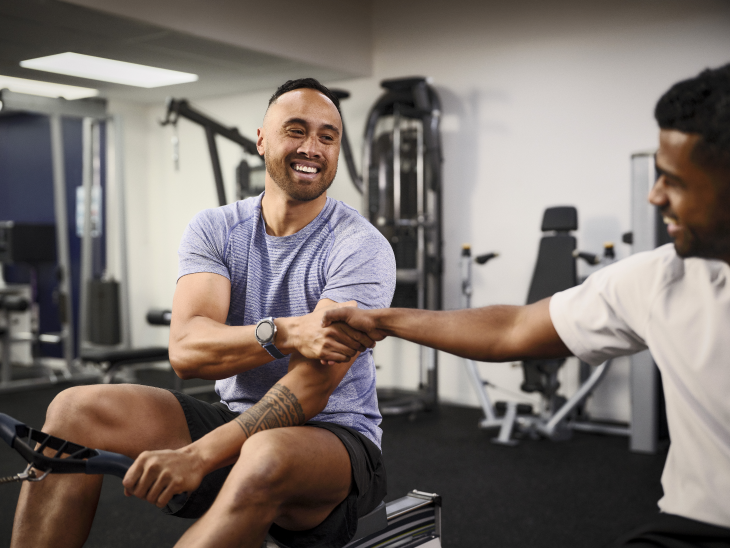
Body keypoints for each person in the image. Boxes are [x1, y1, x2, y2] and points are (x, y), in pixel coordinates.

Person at [322, 64, 730, 547]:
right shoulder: (661, 278)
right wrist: (380, 319)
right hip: (694, 530)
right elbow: (511, 329)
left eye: (675, 181)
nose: (654, 195)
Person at [11, 78, 395, 548]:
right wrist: (285, 332)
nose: (311, 147)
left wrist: (199, 456)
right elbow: (188, 350)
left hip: (335, 442)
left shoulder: (359, 246)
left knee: (264, 452)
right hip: (234, 417)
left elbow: (312, 388)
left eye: (327, 136)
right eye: (295, 130)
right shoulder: (217, 229)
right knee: (73, 410)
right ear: (261, 139)